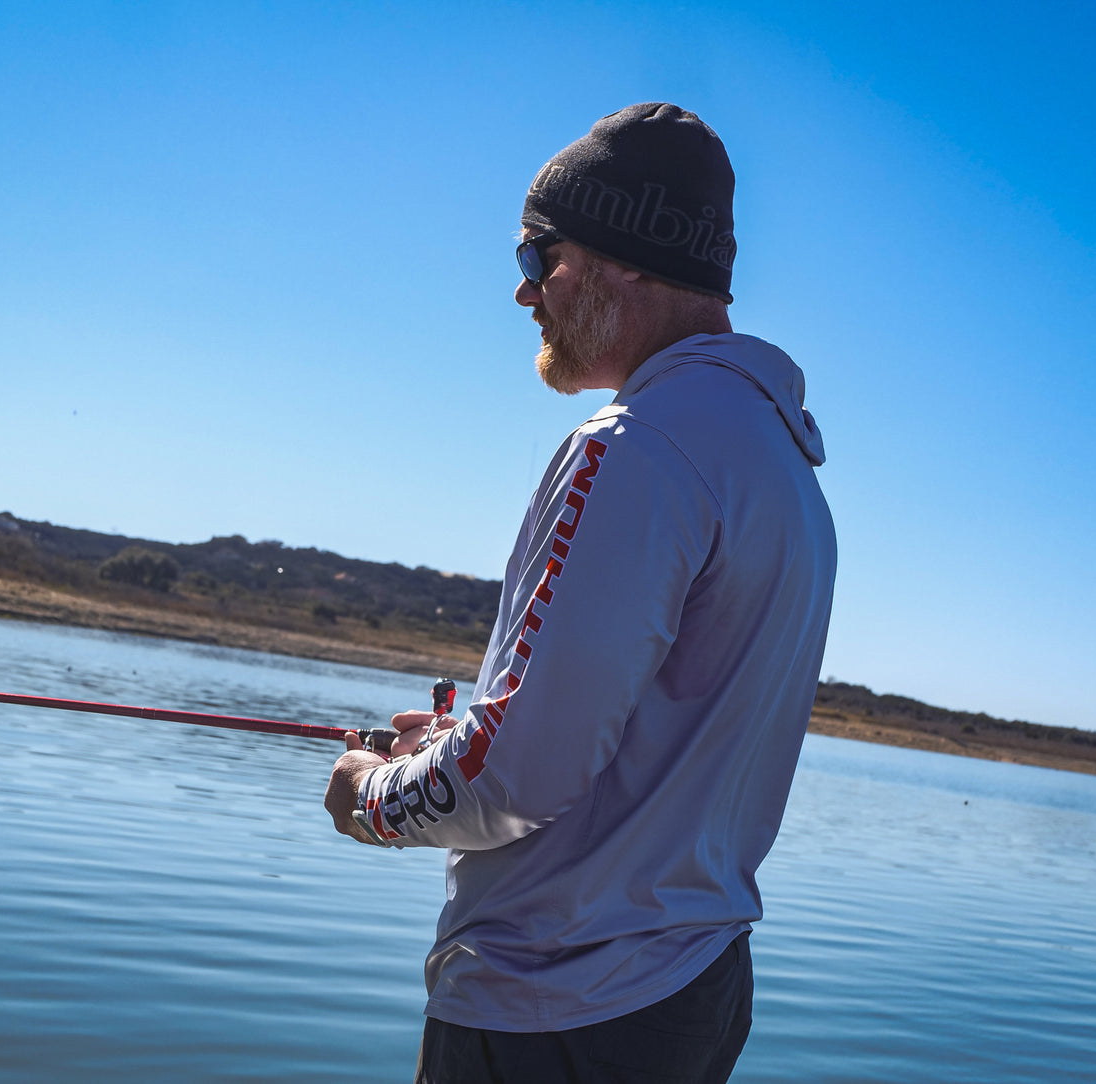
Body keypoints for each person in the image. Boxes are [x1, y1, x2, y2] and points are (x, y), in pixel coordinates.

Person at [324, 102, 837, 1083]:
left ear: (624, 260)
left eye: (535, 259)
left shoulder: (636, 444)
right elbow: (633, 742)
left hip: (554, 1008)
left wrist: (372, 796)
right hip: (684, 990)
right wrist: (459, 742)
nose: (523, 295)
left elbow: (516, 778)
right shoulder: (776, 460)